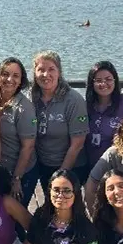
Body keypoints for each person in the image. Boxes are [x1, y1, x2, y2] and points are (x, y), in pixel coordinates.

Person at [31, 51, 89, 190]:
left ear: (59, 72)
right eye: (41, 70)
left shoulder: (74, 100)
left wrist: (61, 175)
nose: (46, 75)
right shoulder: (30, 97)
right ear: (34, 73)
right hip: (43, 163)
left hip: (72, 165)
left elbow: (77, 144)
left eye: (51, 69)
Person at [0, 57, 38, 208]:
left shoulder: (24, 108)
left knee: (15, 217)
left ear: (21, 81)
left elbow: (28, 147)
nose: (9, 79)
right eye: (5, 74)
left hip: (21, 172)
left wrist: (17, 179)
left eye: (15, 76)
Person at [84, 61, 123, 173]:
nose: (104, 83)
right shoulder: (86, 106)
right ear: (92, 83)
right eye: (98, 80)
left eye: (108, 79)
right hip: (90, 165)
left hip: (119, 166)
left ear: (115, 81)